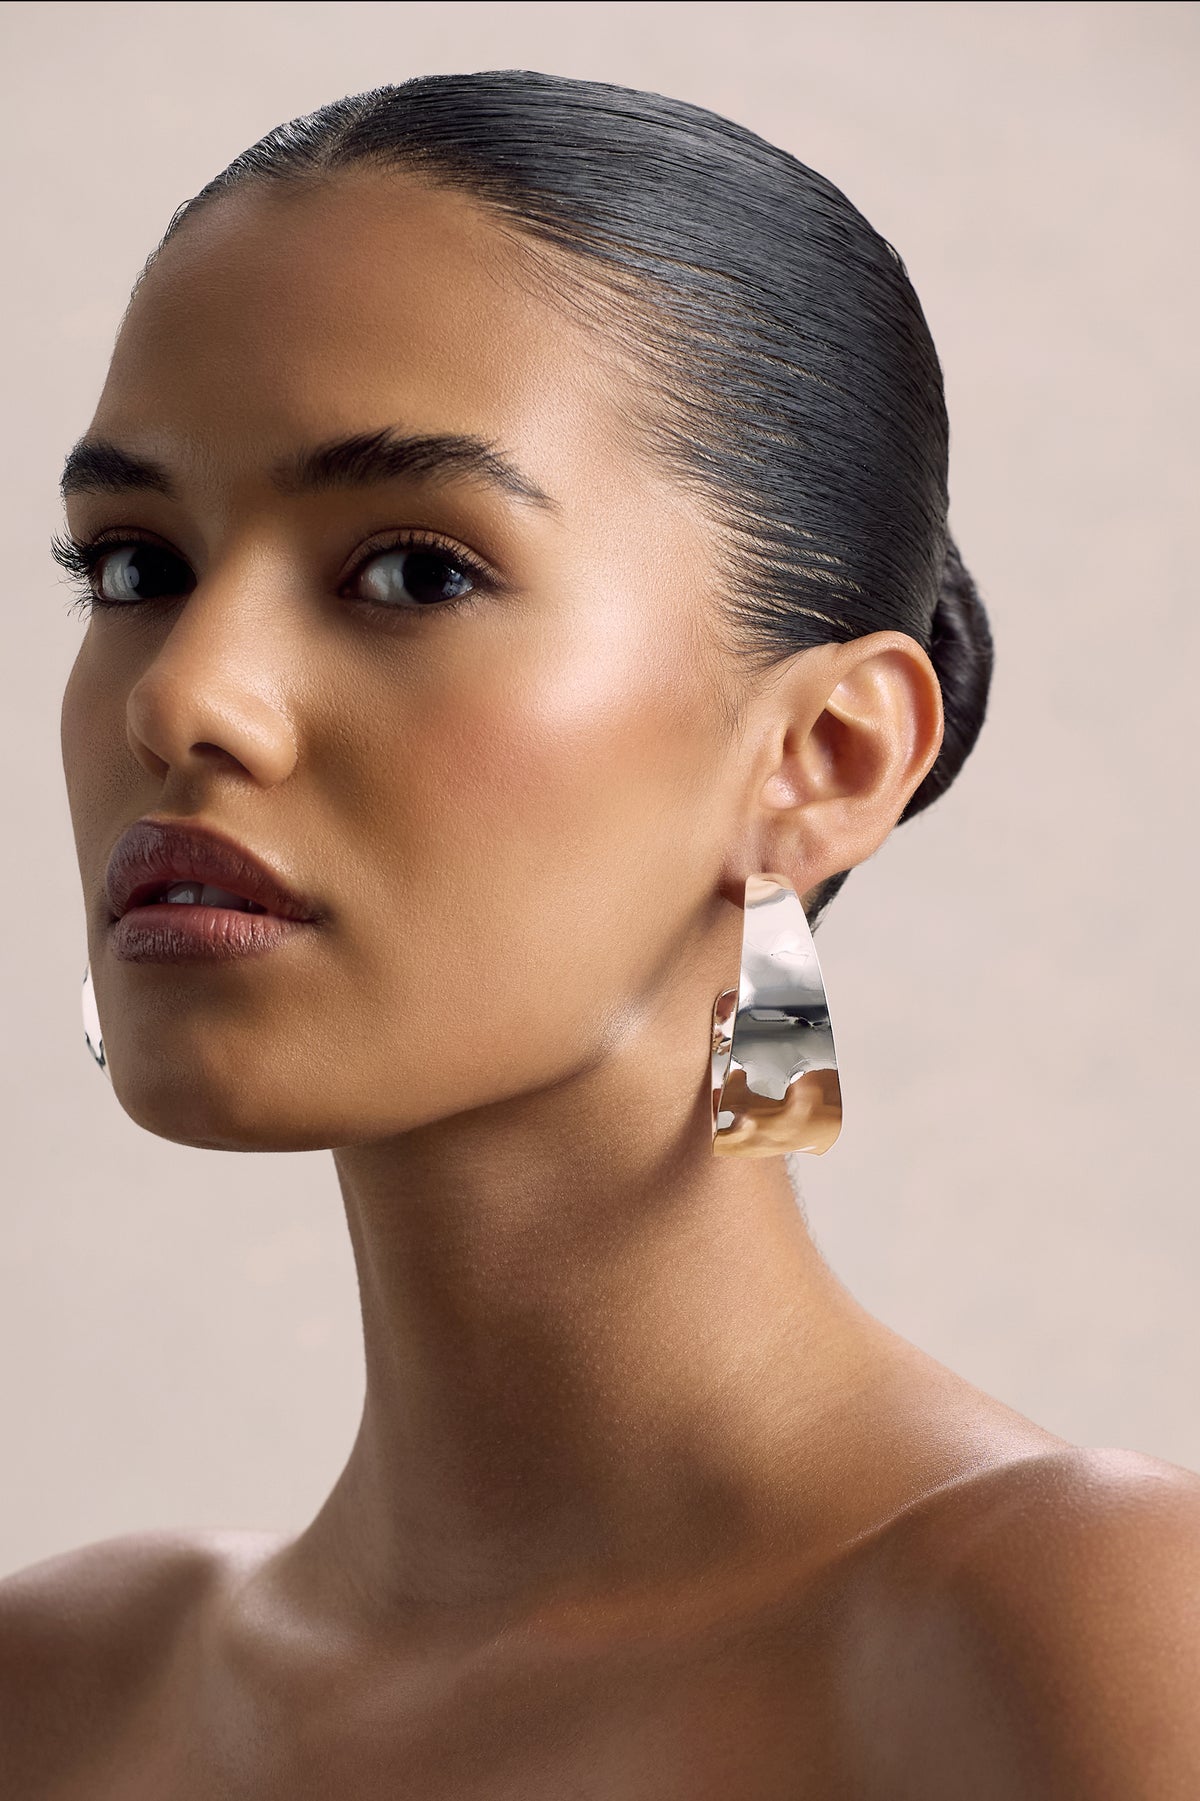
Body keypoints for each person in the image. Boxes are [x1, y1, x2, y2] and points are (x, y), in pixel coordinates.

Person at [3, 69, 1197, 1798]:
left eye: (413, 571)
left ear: (821, 761)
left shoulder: (1075, 1629)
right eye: (134, 567)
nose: (181, 698)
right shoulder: (60, 1695)